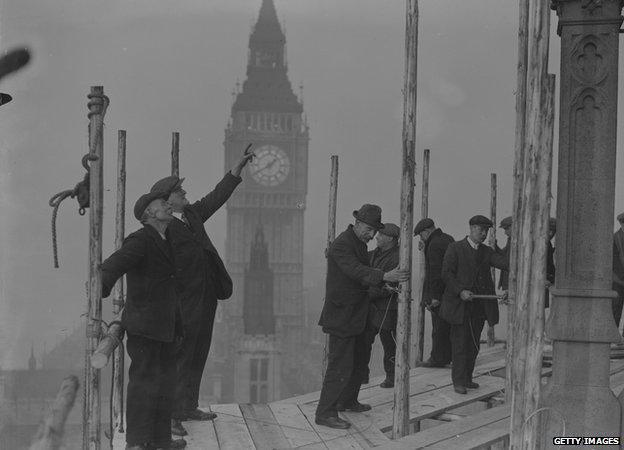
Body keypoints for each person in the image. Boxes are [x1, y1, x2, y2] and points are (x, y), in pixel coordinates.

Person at [150, 152, 253, 435]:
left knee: (198, 353)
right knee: (180, 356)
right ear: (168, 199)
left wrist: (235, 170)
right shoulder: (163, 226)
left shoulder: (192, 215)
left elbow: (215, 198)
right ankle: (170, 416)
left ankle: (187, 406)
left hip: (206, 298)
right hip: (183, 302)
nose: (186, 193)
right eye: (180, 191)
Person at [101, 192, 186, 450]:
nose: (169, 206)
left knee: (164, 384)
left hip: (165, 328)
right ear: (148, 213)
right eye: (163, 204)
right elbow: (114, 265)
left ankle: (160, 440)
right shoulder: (141, 240)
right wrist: (98, 288)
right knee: (144, 384)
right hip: (145, 328)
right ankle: (137, 443)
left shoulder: (165, 238)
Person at [315, 205, 409, 429]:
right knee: (339, 365)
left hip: (358, 315)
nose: (372, 235)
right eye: (368, 229)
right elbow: (355, 270)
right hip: (342, 316)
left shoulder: (357, 243)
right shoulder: (342, 245)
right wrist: (385, 275)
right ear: (357, 224)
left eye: (374, 231)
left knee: (359, 362)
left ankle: (348, 401)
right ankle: (325, 412)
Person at [440, 215, 508, 395]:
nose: (483, 233)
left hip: (479, 308)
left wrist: (513, 243)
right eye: (480, 229)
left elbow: (505, 263)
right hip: (459, 307)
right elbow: (446, 274)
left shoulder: (487, 251)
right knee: (460, 345)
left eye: (486, 230)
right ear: (471, 228)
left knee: (473, 345)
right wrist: (460, 291)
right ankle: (458, 381)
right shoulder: (454, 248)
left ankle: (468, 379)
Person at [414, 218, 454, 368]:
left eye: (421, 235)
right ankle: (447, 357)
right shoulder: (447, 238)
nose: (421, 238)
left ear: (426, 231)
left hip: (440, 294)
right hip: (450, 292)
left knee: (439, 328)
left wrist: (435, 297)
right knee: (447, 327)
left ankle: (437, 359)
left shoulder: (434, 245)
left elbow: (435, 272)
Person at [364, 223, 400, 388]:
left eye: (381, 235)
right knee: (364, 341)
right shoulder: (373, 254)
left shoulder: (398, 257)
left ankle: (392, 377)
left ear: (390, 239)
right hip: (372, 307)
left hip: (387, 308)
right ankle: (362, 375)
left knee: (389, 343)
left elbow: (392, 286)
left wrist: (370, 291)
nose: (376, 236)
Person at [612, 212, 624, 330]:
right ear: (621, 223)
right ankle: (614, 333)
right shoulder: (615, 238)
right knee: (616, 306)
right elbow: (614, 259)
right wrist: (621, 275)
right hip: (617, 279)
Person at [496, 216, 512, 292]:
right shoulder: (510, 240)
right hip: (507, 277)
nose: (505, 233)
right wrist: (495, 246)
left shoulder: (521, 240)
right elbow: (503, 254)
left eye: (506, 229)